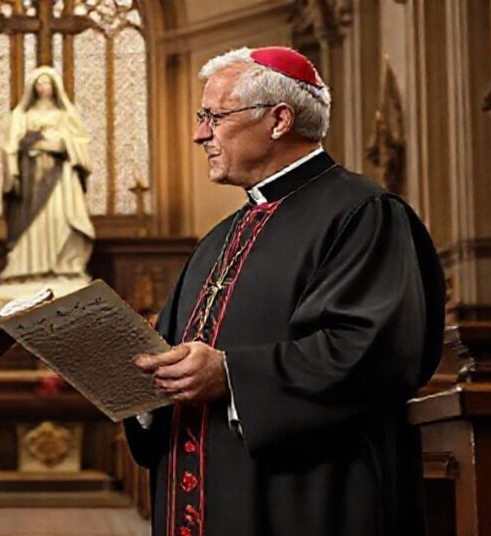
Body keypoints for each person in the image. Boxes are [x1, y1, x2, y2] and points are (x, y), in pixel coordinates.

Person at [124, 47, 445, 536]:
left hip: (308, 501)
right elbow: (170, 354)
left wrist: (231, 375)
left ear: (278, 120)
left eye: (214, 116)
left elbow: (374, 353)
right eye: (201, 116)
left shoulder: (363, 214)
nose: (199, 133)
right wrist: (143, 389)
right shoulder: (218, 239)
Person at [0, 65, 95, 296]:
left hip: (61, 181)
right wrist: (17, 166)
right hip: (31, 180)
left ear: (55, 87)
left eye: (47, 82)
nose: (43, 87)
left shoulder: (66, 115)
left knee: (61, 218)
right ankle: (27, 269)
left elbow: (80, 145)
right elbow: (10, 147)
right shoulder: (21, 116)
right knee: (32, 228)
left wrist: (58, 144)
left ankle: (64, 267)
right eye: (39, 83)